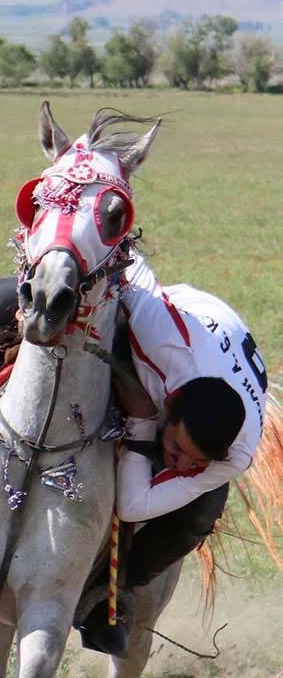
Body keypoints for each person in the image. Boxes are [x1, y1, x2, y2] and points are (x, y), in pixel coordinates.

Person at [78, 248, 267, 654]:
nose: (178, 464)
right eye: (176, 449)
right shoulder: (157, 328)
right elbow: (125, 259)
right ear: (169, 404)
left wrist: (141, 421)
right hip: (182, 322)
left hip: (209, 376)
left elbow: (132, 505)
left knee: (203, 508)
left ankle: (115, 590)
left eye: (194, 462)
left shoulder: (236, 455)